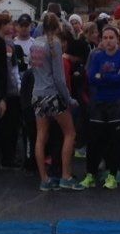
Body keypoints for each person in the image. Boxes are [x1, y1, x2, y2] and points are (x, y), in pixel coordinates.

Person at [27, 38, 81, 191]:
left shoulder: (35, 43)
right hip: (51, 93)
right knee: (70, 133)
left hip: (37, 93)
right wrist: (68, 98)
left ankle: (44, 179)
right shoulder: (53, 44)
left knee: (41, 136)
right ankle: (66, 176)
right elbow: (59, 77)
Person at [85, 23, 120, 188]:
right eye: (105, 38)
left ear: (118, 40)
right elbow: (91, 77)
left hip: (117, 102)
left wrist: (103, 76)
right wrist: (110, 76)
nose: (108, 41)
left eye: (111, 38)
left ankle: (113, 174)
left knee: (116, 141)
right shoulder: (97, 56)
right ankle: (90, 174)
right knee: (94, 140)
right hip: (99, 102)